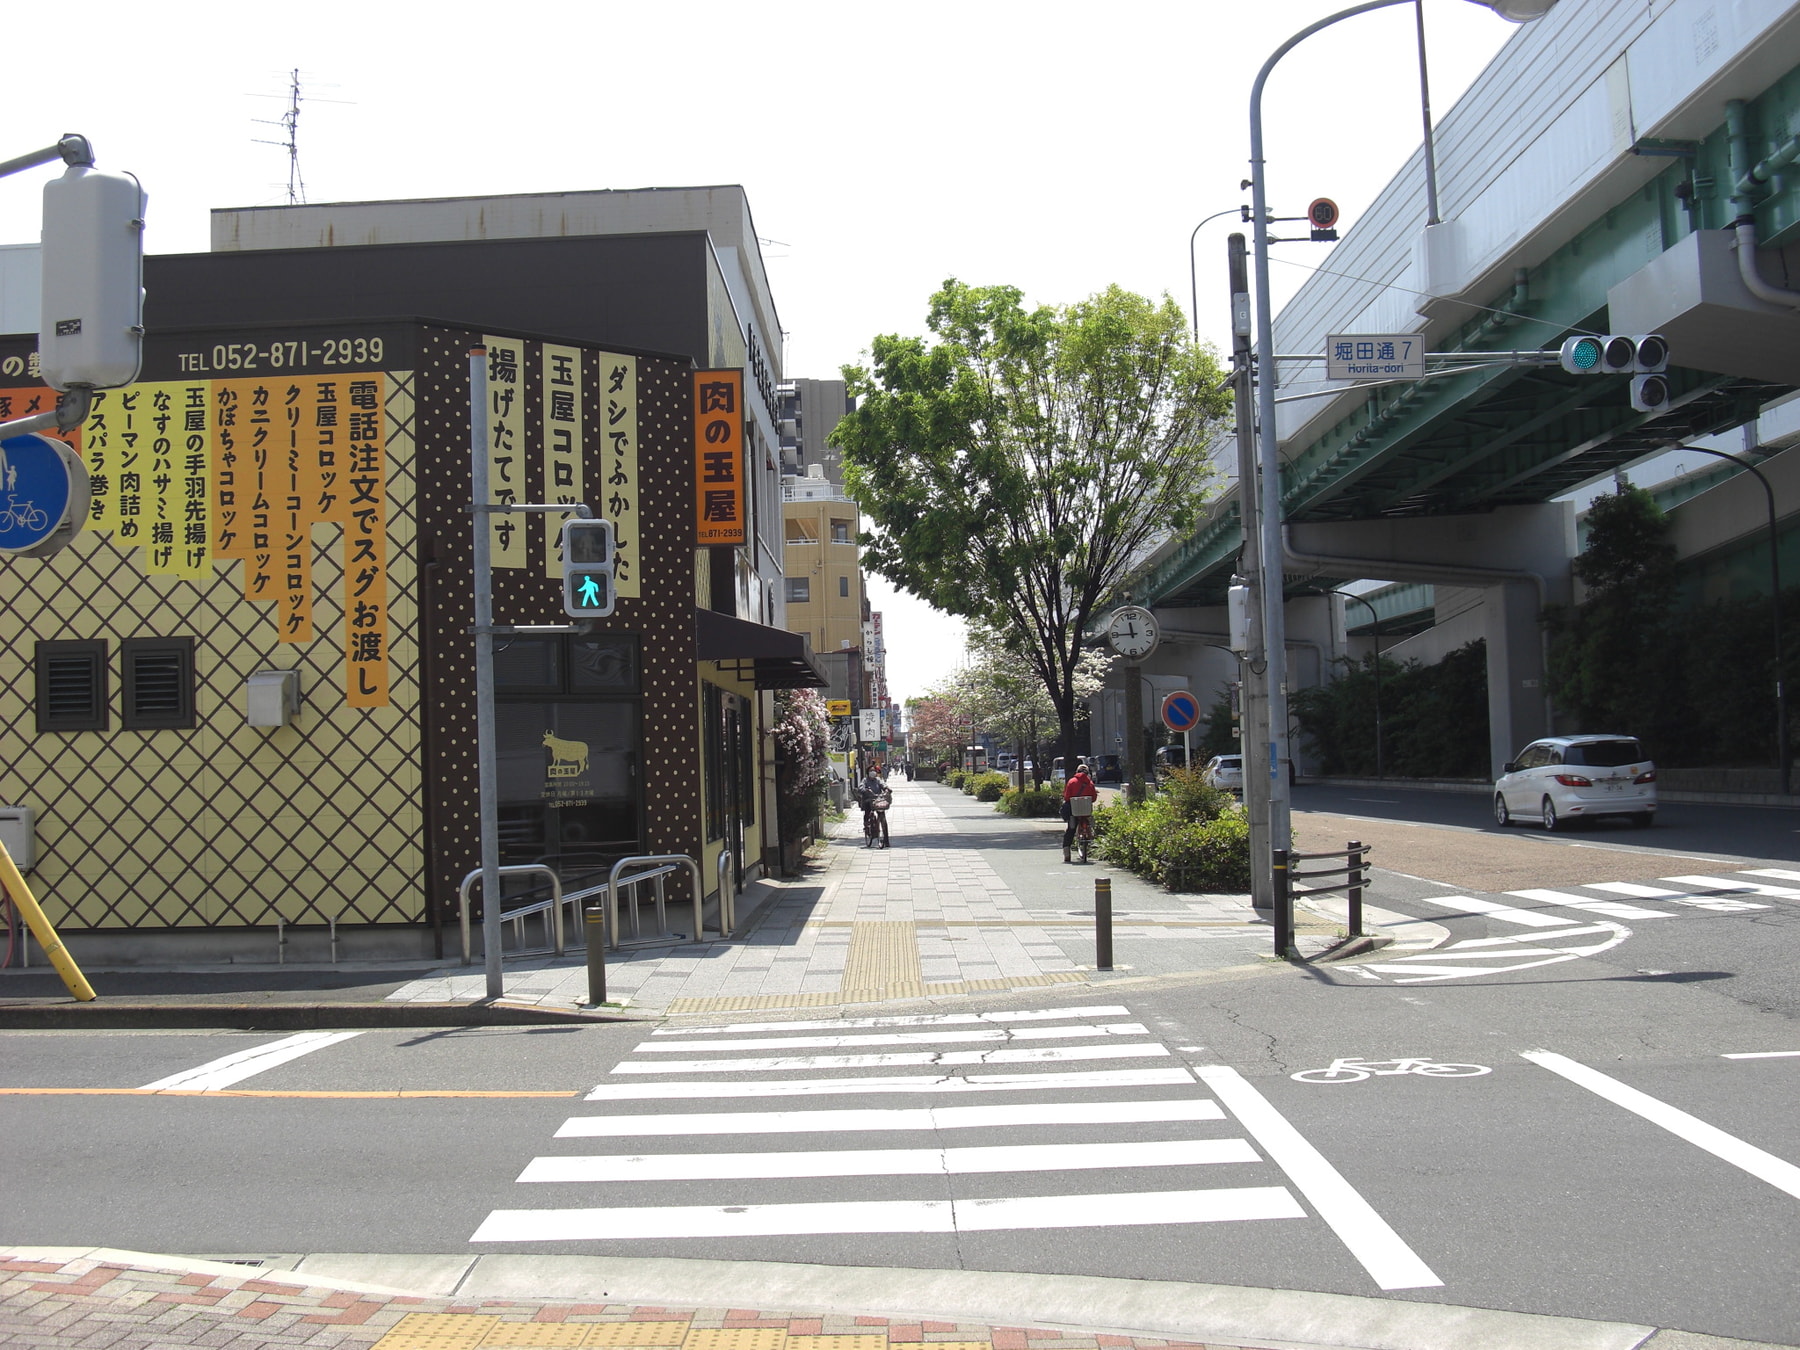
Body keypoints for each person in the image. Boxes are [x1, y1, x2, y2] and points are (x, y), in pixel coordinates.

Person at [1062, 760, 1099, 863]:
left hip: (1074, 811)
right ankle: (1090, 837)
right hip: (1086, 811)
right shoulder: (1090, 783)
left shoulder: (1071, 781)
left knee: (1070, 829)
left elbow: (1067, 797)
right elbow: (1094, 798)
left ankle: (1067, 852)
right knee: (1089, 822)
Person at [857, 767, 891, 848]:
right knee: (867, 812)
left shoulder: (878, 780)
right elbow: (860, 787)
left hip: (878, 800)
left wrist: (886, 789)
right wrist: (865, 790)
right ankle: (866, 826)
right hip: (868, 800)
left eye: (874, 771)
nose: (873, 772)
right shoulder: (865, 780)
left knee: (882, 815)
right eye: (871, 771)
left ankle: (886, 840)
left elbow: (883, 784)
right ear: (868, 772)